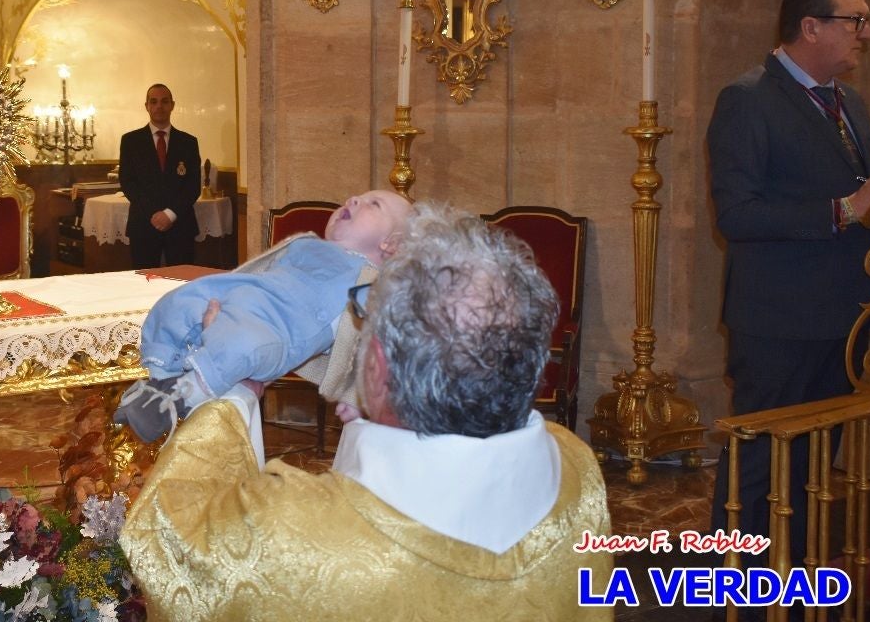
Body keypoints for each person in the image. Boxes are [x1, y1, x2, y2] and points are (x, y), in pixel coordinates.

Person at [120, 203, 614, 620]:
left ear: (376, 365)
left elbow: (164, 544)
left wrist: (236, 390)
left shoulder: (281, 535)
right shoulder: (576, 471)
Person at [708, 0, 870, 561]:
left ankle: (795, 582)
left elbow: (865, 196)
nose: (867, 34)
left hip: (846, 318)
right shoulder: (748, 98)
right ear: (811, 27)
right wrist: (843, 211)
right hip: (779, 322)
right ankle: (726, 588)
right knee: (758, 468)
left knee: (812, 468)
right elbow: (737, 214)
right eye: (855, 22)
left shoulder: (849, 101)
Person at [114, 189, 413, 443]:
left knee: (243, 344)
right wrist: (221, 294)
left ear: (392, 244)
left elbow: (373, 344)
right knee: (178, 300)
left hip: (275, 331)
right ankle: (162, 374)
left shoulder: (372, 284)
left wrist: (359, 397)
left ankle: (183, 396)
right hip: (241, 296)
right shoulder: (307, 243)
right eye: (356, 197)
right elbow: (255, 270)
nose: (354, 200)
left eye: (373, 204)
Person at [118, 84, 201, 268]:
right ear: (146, 106)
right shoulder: (131, 141)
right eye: (153, 102)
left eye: (164, 101)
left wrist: (170, 214)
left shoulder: (188, 142)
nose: (159, 106)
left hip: (180, 225)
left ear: (172, 105)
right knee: (144, 284)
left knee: (181, 284)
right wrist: (154, 214)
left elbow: (193, 186)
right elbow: (128, 182)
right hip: (144, 224)